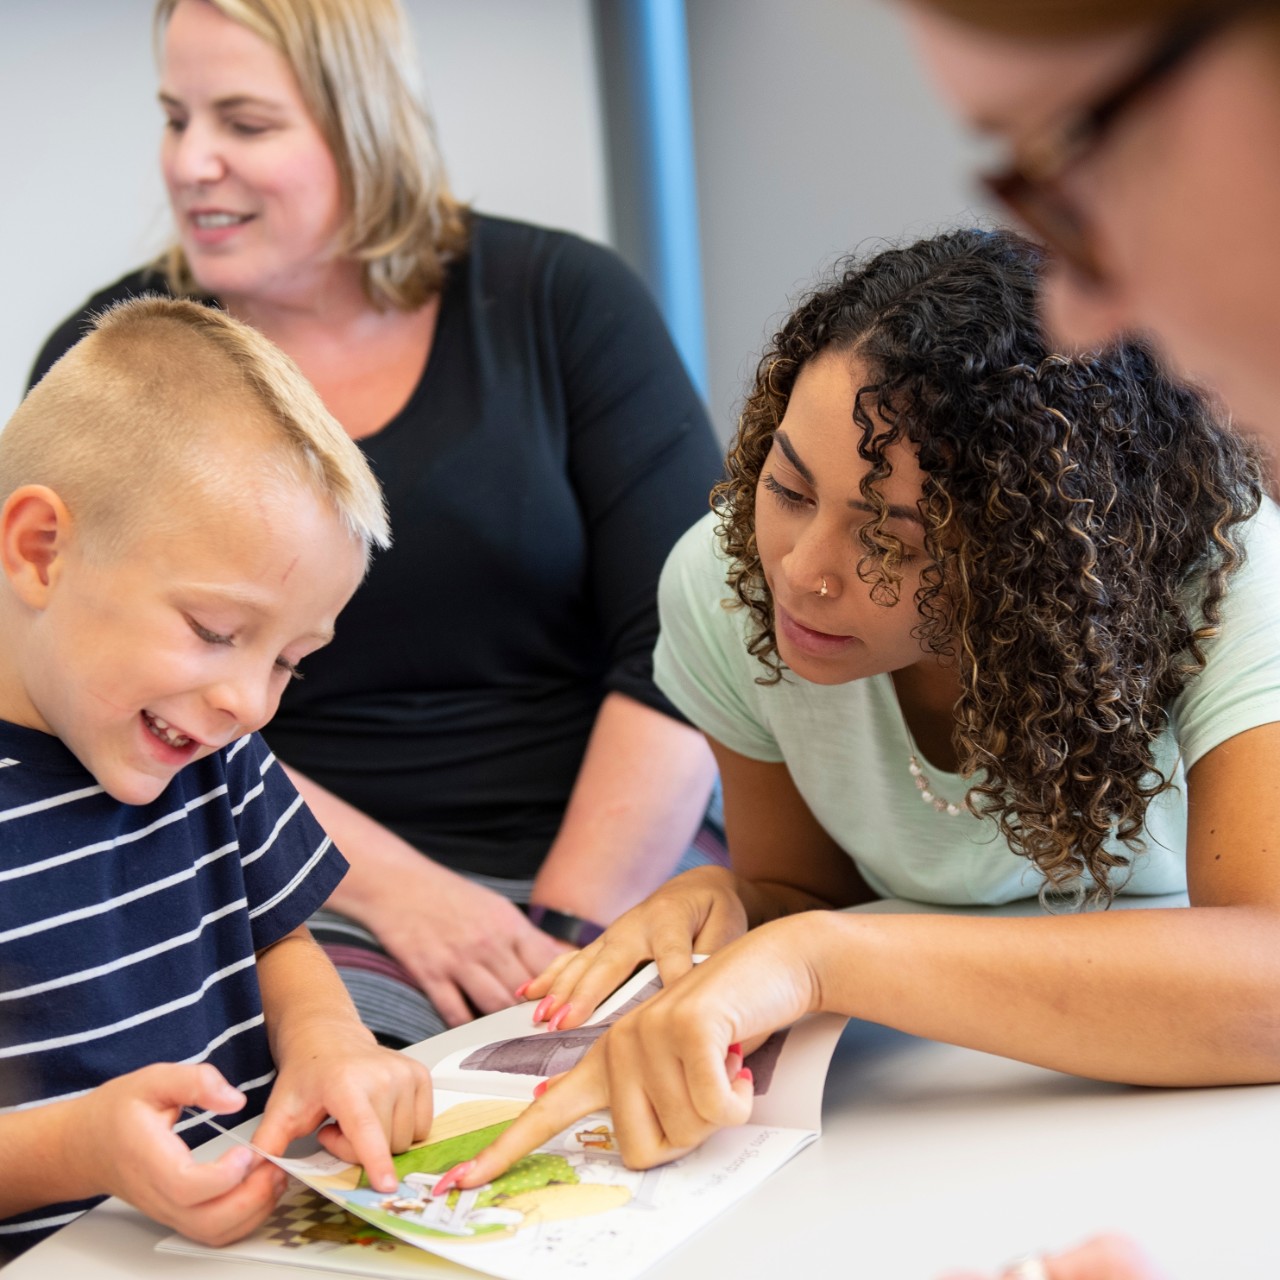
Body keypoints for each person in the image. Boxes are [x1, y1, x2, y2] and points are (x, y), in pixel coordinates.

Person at [427, 227, 1280, 1199]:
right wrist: (743, 906)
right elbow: (807, 887)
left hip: (1196, 1097)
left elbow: (1265, 982)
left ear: (1036, 561)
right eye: (786, 486)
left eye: (891, 537)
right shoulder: (725, 583)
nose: (802, 570)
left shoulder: (1219, 576)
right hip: (922, 1098)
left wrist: (818, 953)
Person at [30, 0, 723, 1047]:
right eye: (177, 118)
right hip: (303, 873)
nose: (191, 162)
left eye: (245, 123)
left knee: (696, 1056)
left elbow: (685, 644)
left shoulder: (565, 301)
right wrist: (404, 895)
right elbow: (148, 703)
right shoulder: (122, 364)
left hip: (618, 841)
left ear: (362, 125)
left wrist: (563, 938)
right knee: (374, 1109)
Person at [0, 296, 434, 1257]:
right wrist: (82, 1148)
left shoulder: (207, 744)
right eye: (215, 633)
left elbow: (277, 938)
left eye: (290, 661)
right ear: (40, 550)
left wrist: (329, 1044)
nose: (251, 702)